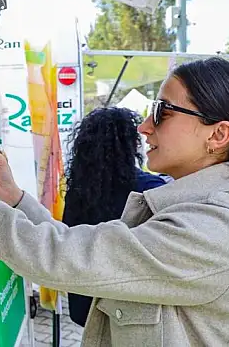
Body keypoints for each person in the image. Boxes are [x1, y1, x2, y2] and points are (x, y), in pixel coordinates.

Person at [0, 57, 229, 345]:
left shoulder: (216, 228)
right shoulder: (200, 210)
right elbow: (81, 248)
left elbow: (62, 257)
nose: (144, 127)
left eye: (162, 112)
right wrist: (12, 194)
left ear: (218, 134)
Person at [61, 107, 166, 327]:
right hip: (125, 307)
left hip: (83, 298)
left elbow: (67, 235)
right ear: (131, 145)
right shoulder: (150, 189)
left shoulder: (78, 189)